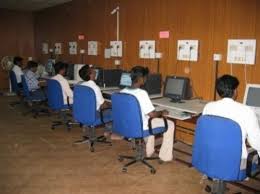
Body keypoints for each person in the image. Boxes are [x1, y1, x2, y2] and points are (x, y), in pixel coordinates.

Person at [203, 74, 260, 169]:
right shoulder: (247, 111)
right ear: (234, 91)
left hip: (209, 158)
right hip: (235, 165)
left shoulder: (208, 107)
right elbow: (256, 143)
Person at [121, 66, 175, 162]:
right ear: (141, 78)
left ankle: (149, 150)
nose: (146, 79)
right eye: (146, 77)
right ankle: (165, 157)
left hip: (126, 125)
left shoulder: (122, 91)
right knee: (170, 124)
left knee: (148, 119)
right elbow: (153, 115)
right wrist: (162, 112)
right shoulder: (142, 93)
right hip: (140, 127)